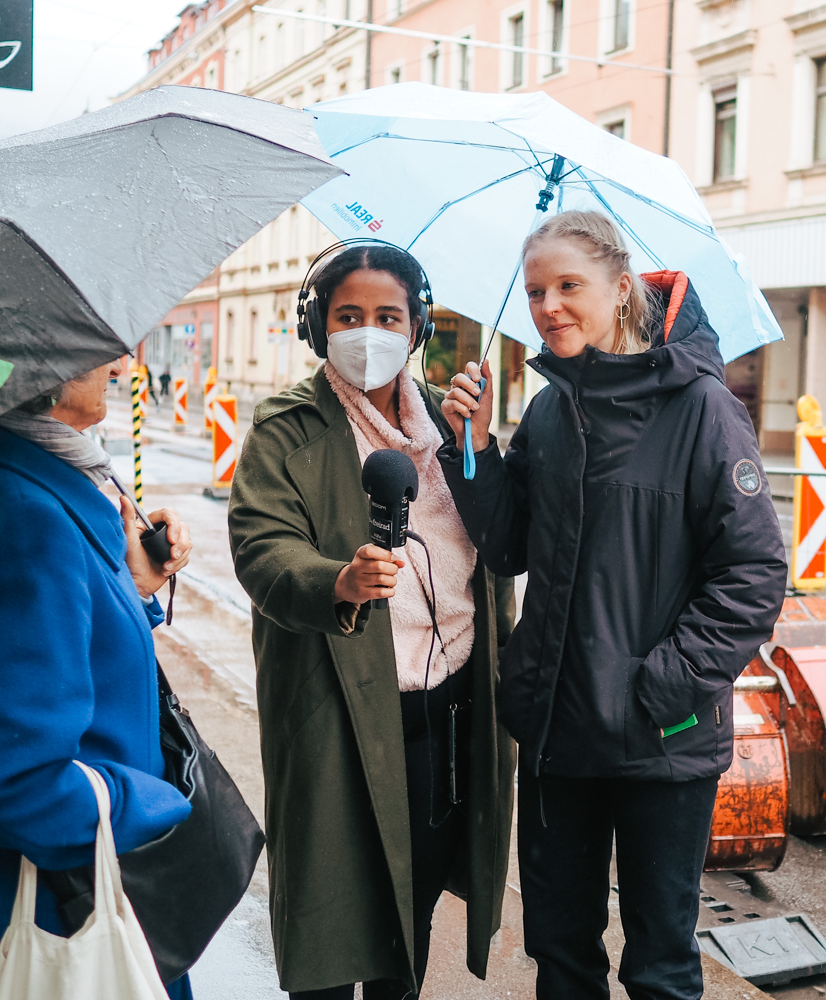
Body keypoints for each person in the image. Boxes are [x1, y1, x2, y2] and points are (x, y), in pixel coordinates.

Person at [440, 210, 788, 1000]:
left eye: (569, 285)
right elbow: (509, 548)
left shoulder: (702, 409)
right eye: (536, 291)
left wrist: (657, 689)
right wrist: (477, 448)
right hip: (559, 734)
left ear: (622, 287)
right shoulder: (551, 409)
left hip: (661, 739)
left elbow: (754, 572)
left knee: (660, 964)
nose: (549, 306)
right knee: (561, 953)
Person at [227, 243, 516, 999]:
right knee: (328, 926)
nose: (368, 333)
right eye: (348, 315)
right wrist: (340, 582)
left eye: (388, 316)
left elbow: (503, 545)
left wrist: (481, 447)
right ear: (316, 326)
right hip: (337, 717)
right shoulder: (285, 428)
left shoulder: (453, 427)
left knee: (406, 929)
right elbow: (261, 548)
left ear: (418, 327)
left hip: (444, 719)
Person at [0, 359, 197, 1000]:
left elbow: (51, 643)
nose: (120, 362)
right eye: (99, 348)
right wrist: (157, 805)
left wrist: (133, 587)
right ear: (37, 361)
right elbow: (23, 785)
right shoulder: (21, 513)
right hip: (43, 918)